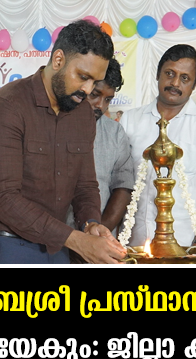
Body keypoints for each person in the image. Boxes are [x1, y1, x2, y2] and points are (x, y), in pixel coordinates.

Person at [0, 19, 125, 267]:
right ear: (58, 60)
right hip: (7, 247)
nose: (88, 89)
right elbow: (5, 199)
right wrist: (75, 240)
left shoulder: (82, 113)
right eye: (83, 77)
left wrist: (91, 224)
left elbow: (86, 185)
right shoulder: (8, 106)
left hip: (58, 247)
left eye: (94, 81)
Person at [120, 44, 196, 256]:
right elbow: (120, 185)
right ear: (158, 74)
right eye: (169, 74)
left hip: (184, 248)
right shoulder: (130, 120)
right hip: (134, 246)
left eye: (184, 78)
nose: (175, 83)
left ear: (194, 84)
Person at [65, 58, 133, 237]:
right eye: (94, 95)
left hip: (97, 238)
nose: (100, 105)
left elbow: (123, 187)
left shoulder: (115, 133)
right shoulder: (53, 124)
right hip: (52, 240)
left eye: (108, 99)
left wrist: (96, 236)